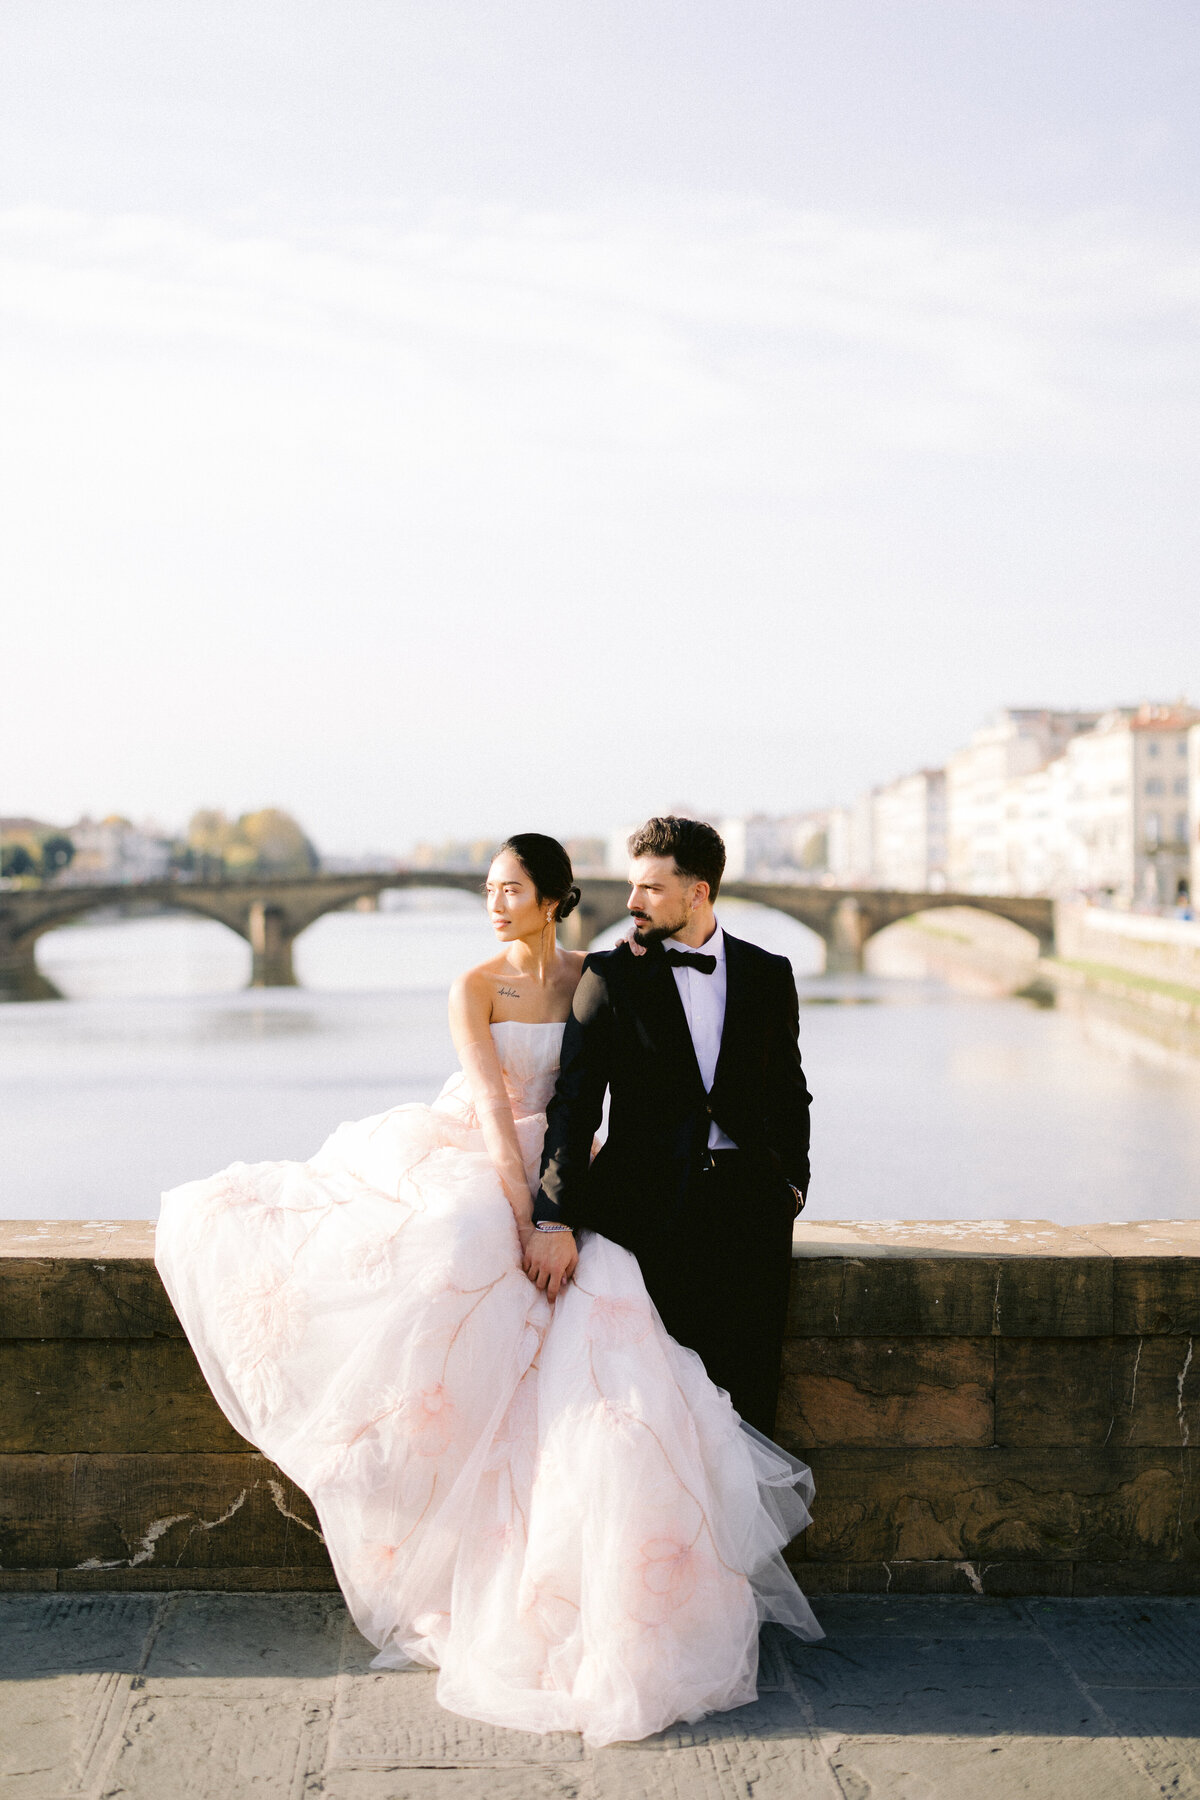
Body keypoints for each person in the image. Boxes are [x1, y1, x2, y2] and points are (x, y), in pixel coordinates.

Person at [155, 831, 820, 1751]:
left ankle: (699, 1576)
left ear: (555, 899)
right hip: (506, 1160)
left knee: (684, 1370)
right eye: (487, 890)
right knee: (458, 1259)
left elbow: (782, 1082)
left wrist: (793, 1178)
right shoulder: (525, 981)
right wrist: (537, 1215)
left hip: (657, 1190)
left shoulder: (639, 969)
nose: (494, 902)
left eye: (509, 889)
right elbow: (553, 1104)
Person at [530, 816, 811, 1437]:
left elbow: (789, 1091)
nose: (631, 902)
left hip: (749, 1215)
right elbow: (574, 1106)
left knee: (749, 1401)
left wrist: (791, 1183)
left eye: (651, 888)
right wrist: (552, 1216)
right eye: (634, 886)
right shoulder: (609, 977)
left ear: (698, 892)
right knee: (648, 1415)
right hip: (645, 1215)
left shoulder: (769, 974)